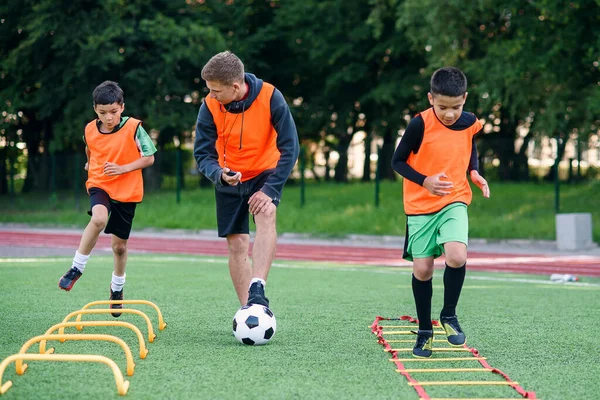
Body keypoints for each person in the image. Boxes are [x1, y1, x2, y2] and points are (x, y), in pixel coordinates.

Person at [391, 67, 490, 358]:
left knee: (457, 255)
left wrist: (474, 171)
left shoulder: (470, 121)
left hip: (454, 198)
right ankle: (424, 330)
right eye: (442, 107)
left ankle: (448, 315)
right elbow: (397, 162)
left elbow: (470, 144)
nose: (449, 114)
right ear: (431, 98)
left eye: (456, 107)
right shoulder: (419, 125)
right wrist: (425, 181)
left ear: (465, 99)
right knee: (423, 270)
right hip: (420, 205)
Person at [194, 51, 299, 309]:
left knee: (266, 214)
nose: (212, 95)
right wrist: (219, 174)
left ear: (235, 86)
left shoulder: (271, 97)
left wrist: (271, 189)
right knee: (237, 243)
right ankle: (248, 309)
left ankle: (258, 287)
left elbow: (291, 147)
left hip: (265, 172)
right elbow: (203, 153)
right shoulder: (209, 105)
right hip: (228, 175)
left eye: (216, 90)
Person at [58, 81, 157, 317]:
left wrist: (123, 169)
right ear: (95, 110)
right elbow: (90, 149)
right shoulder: (90, 129)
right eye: (103, 113)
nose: (109, 118)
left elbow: (149, 157)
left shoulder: (134, 128)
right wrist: (90, 164)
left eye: (113, 112)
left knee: (119, 247)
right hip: (100, 183)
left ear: (122, 107)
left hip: (127, 189)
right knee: (99, 219)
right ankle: (76, 268)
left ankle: (116, 290)